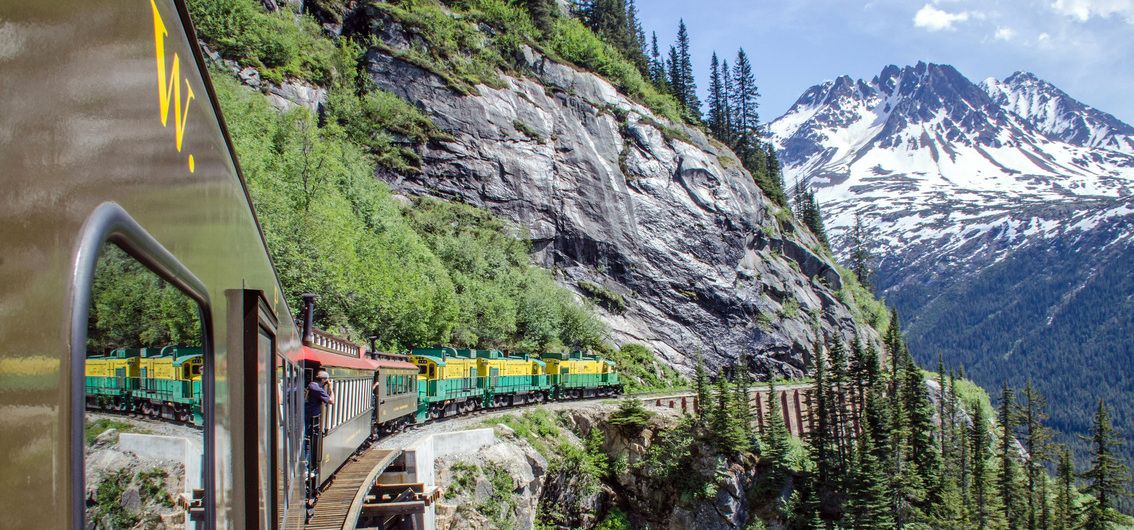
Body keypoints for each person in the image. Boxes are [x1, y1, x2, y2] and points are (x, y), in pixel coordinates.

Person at [304, 370, 334, 480]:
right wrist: (331, 388)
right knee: (307, 442)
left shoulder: (312, 386)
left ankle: (307, 468)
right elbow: (331, 401)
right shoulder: (316, 388)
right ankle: (306, 470)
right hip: (309, 419)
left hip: (309, 419)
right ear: (324, 381)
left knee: (307, 442)